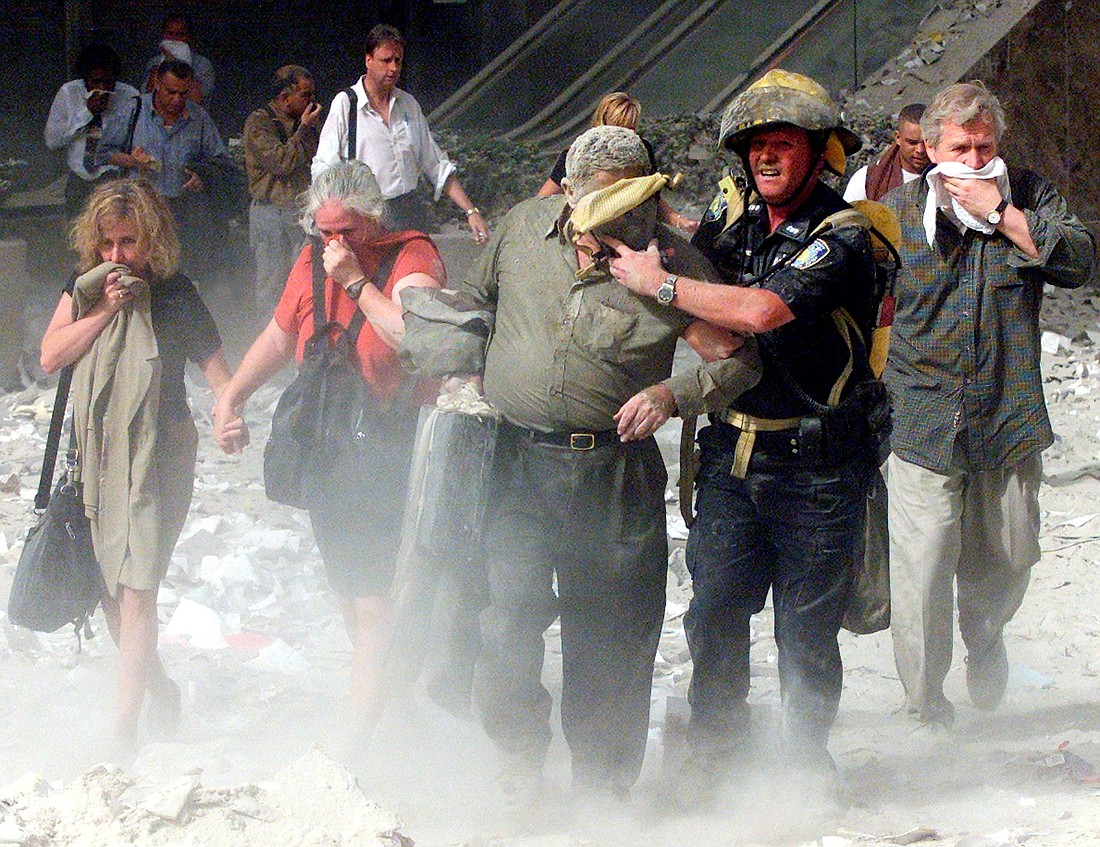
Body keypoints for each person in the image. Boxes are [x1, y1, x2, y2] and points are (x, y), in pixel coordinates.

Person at [407, 124, 760, 806]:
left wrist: (671, 393)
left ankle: (601, 789)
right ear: (568, 198)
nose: (620, 223)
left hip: (613, 475)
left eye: (633, 206)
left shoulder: (669, 260)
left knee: (611, 637)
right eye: (603, 208)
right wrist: (447, 351)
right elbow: (480, 305)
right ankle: (517, 759)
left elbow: (738, 355)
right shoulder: (520, 230)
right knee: (505, 620)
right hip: (515, 462)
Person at [608, 69, 878, 801]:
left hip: (818, 465)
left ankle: (801, 767)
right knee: (716, 612)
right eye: (756, 144)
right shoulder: (733, 221)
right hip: (731, 454)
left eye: (783, 143)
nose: (766, 156)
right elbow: (689, 276)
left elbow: (757, 312)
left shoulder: (843, 237)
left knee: (805, 632)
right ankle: (718, 751)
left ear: (818, 152)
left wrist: (657, 286)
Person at [881, 81, 1095, 728]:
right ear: (932, 148)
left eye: (985, 147)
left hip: (1008, 415)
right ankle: (925, 704)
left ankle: (987, 636)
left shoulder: (1029, 195)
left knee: (1003, 559)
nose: (974, 161)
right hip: (923, 419)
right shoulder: (896, 212)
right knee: (920, 575)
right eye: (960, 148)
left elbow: (1080, 260)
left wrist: (1003, 213)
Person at [211, 160, 446, 739]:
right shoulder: (309, 259)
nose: (336, 244)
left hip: (388, 439)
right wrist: (231, 397)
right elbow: (279, 335)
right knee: (349, 586)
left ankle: (362, 738)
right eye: (326, 233)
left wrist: (357, 283)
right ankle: (390, 701)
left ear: (374, 218)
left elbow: (410, 333)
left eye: (349, 230)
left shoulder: (410, 257)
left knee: (373, 596)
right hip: (326, 439)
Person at [39, 178, 233, 746]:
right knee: (106, 590)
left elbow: (218, 372)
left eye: (129, 242)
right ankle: (159, 689)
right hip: (96, 454)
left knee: (137, 586)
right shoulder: (83, 290)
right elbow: (53, 355)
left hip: (161, 453)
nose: (118, 256)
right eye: (107, 245)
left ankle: (124, 728)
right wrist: (102, 311)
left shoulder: (176, 294)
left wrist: (230, 417)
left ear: (152, 239)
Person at [311, 24, 489, 243]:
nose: (394, 68)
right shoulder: (346, 103)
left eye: (398, 60)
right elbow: (324, 167)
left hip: (408, 210)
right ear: (368, 60)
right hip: (365, 215)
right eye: (386, 60)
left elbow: (435, 164)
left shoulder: (408, 104)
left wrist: (471, 211)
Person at [98, 59, 233, 275]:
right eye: (170, 92)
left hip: (183, 210)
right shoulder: (133, 110)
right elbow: (104, 153)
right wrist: (133, 161)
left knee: (180, 270)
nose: (177, 99)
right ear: (157, 84)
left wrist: (202, 176)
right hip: (140, 207)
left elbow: (222, 159)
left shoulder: (198, 117)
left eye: (183, 93)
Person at [536, 91, 698, 233]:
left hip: (637, 230)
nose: (625, 135)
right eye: (618, 127)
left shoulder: (642, 150)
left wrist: (681, 222)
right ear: (602, 123)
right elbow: (542, 200)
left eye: (630, 128)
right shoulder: (575, 155)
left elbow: (652, 200)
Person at [243, 64, 322, 318]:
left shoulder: (306, 124)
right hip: (271, 215)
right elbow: (281, 162)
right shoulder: (259, 123)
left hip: (300, 212)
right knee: (272, 287)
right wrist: (303, 131)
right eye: (305, 95)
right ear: (285, 97)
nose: (311, 101)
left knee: (306, 280)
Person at [44, 44, 140, 217]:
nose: (102, 88)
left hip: (113, 176)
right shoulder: (68, 93)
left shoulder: (130, 96)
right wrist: (87, 113)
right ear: (85, 80)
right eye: (96, 82)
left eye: (108, 82)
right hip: (79, 177)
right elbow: (52, 141)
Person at [843, 103, 928, 202]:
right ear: (898, 138)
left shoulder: (946, 177)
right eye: (912, 142)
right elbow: (847, 216)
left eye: (927, 142)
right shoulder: (867, 180)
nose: (920, 150)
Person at [141, 11, 216, 104]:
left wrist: (176, 62)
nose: (174, 39)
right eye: (170, 33)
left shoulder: (203, 65)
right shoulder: (154, 62)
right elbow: (148, 100)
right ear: (163, 35)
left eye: (180, 34)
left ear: (189, 37)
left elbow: (197, 100)